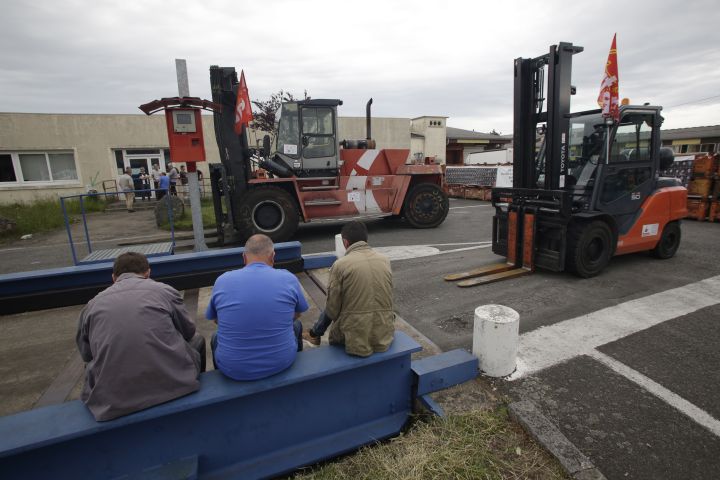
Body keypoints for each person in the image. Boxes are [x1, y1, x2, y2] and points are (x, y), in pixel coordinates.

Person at [76, 252, 206, 421]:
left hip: (112, 402)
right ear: (148, 273)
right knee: (198, 341)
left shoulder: (91, 306)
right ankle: (198, 396)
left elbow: (87, 354)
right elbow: (188, 332)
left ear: (114, 277)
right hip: (177, 383)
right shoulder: (164, 291)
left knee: (91, 365)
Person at [205, 234, 308, 381]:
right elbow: (297, 313)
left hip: (233, 369)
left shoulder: (222, 280)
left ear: (244, 257)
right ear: (273, 256)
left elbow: (216, 319)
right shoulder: (288, 278)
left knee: (216, 337)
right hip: (281, 363)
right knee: (296, 325)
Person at [303, 221, 394, 357]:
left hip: (355, 339)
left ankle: (314, 335)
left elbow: (332, 309)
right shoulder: (384, 260)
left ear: (345, 243)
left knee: (335, 309)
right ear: (365, 239)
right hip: (384, 334)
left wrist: (316, 330)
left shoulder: (340, 265)